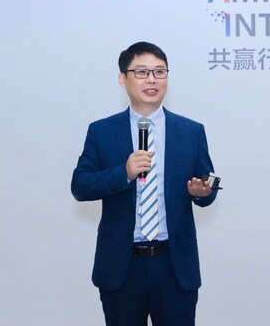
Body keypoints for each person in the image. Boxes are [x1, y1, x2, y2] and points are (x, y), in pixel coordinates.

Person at [71, 41, 218, 326]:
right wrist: (124, 173)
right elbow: (80, 185)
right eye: (141, 72)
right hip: (122, 267)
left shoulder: (191, 131)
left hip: (174, 265)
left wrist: (202, 193)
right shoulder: (101, 131)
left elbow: (206, 184)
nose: (152, 79)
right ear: (122, 78)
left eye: (159, 72)